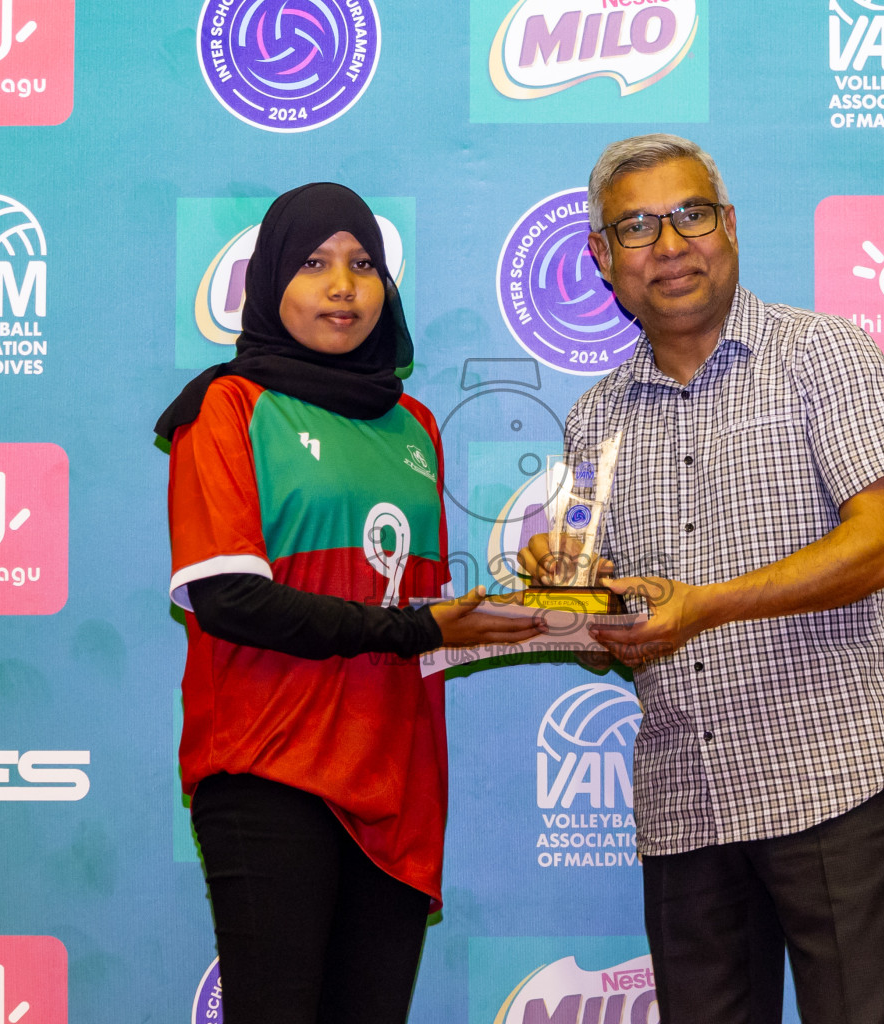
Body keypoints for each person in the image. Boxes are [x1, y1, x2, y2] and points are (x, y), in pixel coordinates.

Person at [520, 136, 884, 1024]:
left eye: (690, 215)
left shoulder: (825, 354)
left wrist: (702, 608)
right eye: (636, 227)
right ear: (602, 257)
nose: (668, 245)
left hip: (831, 774)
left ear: (730, 227)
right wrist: (572, 601)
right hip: (684, 799)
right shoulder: (593, 420)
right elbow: (616, 638)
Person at [156, 182, 541, 1024]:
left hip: (394, 780)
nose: (343, 286)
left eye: (363, 264)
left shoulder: (416, 426)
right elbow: (228, 601)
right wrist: (415, 627)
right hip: (269, 767)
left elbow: (425, 614)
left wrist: (556, 610)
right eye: (315, 264)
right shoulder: (227, 409)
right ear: (268, 286)